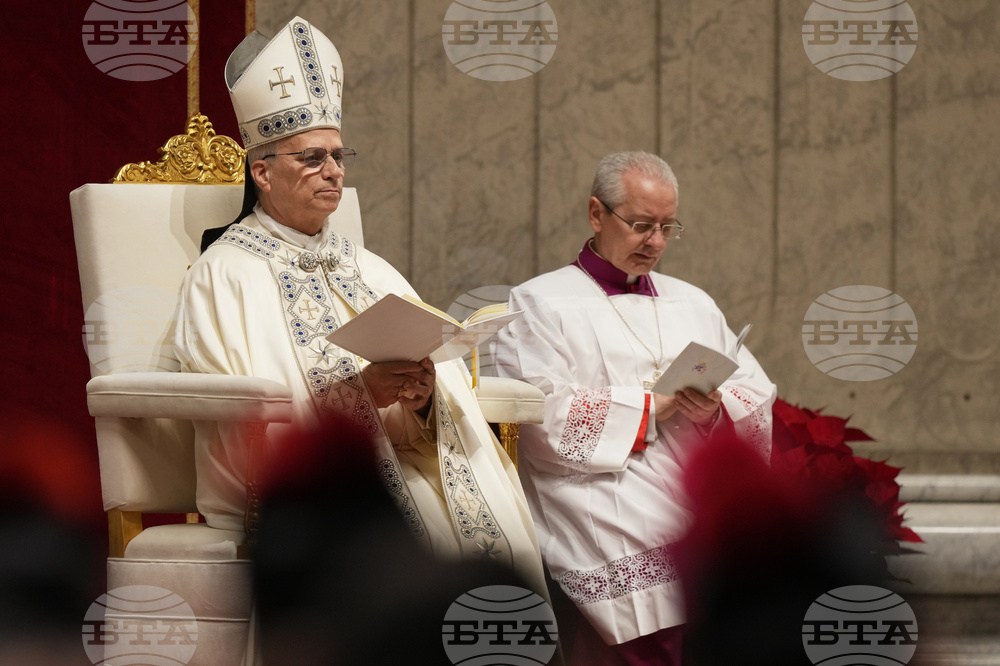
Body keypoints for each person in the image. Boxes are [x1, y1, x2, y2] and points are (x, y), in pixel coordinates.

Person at [174, 17, 545, 600]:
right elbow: (233, 417)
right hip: (324, 496)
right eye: (313, 158)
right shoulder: (223, 275)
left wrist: (421, 398)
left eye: (339, 154)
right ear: (262, 171)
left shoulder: (369, 267)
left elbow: (429, 388)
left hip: (413, 470)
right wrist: (359, 397)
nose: (335, 171)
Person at [493, 151, 777, 664]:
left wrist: (711, 413)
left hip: (682, 472)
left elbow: (754, 392)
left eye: (669, 227)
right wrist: (648, 406)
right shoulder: (538, 302)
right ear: (597, 214)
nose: (656, 242)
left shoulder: (692, 301)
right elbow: (540, 417)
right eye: (642, 225)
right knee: (650, 565)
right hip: (594, 486)